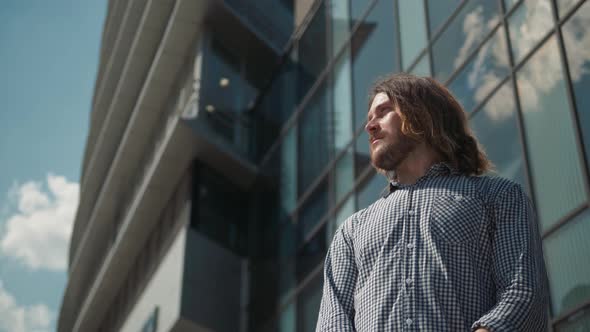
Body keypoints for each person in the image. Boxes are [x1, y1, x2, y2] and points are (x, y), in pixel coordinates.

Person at [315, 74, 548, 331]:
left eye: (383, 112)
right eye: (369, 118)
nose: (369, 127)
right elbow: (332, 323)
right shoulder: (350, 232)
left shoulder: (497, 197)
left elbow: (523, 293)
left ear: (422, 115)